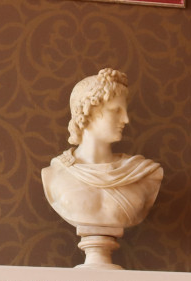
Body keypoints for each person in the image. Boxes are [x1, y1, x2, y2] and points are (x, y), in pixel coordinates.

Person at [41, 68, 163, 232]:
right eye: (116, 111)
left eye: (125, 111)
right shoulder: (55, 174)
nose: (126, 119)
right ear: (88, 111)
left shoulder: (143, 173)